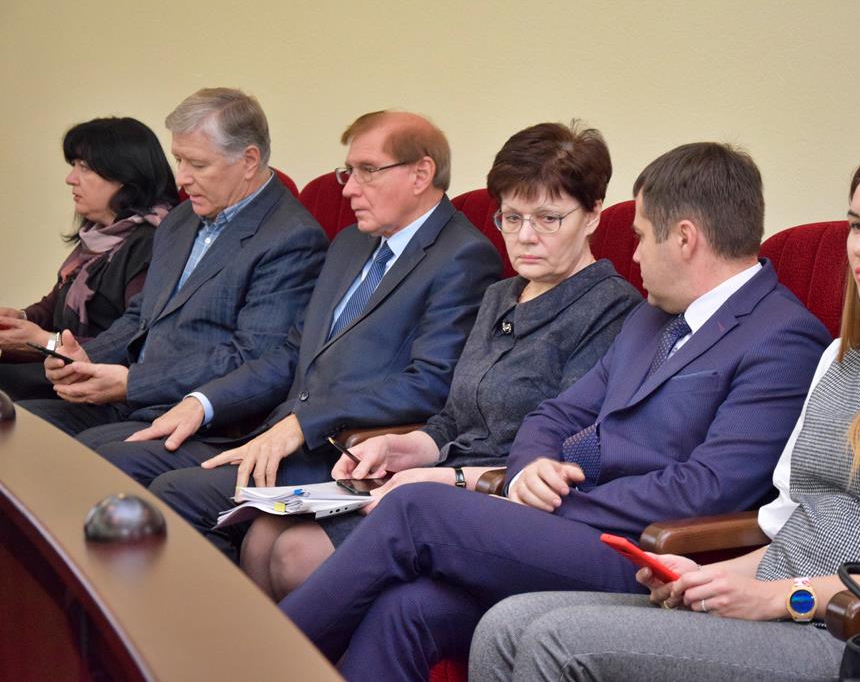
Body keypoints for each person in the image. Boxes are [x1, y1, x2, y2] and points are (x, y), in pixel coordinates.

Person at [275, 142, 833, 680]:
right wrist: (531, 469)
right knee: (408, 608)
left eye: (641, 236)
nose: (634, 255)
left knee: (415, 508)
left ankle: (253, 663)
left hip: (650, 555)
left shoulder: (782, 338)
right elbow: (554, 416)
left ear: (684, 238)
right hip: (571, 530)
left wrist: (563, 505)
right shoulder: (652, 317)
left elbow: (710, 489)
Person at [468, 147, 860, 682]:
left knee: (556, 638)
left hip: (856, 631)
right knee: (504, 626)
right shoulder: (843, 357)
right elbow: (790, 520)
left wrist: (783, 597)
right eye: (856, 225)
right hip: (777, 593)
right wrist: (709, 576)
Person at [241, 121, 642, 600]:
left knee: (294, 555)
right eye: (511, 218)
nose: (525, 237)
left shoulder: (613, 310)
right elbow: (454, 418)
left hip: (503, 502)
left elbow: (559, 457)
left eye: (548, 219)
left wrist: (439, 477)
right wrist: (400, 448)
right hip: (434, 479)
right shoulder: (500, 295)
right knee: (261, 534)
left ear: (593, 214)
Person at [89, 110, 504, 560]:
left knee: (176, 494)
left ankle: (208, 607)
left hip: (343, 455)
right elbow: (292, 352)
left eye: (368, 170)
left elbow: (430, 382)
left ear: (421, 173)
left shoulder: (463, 255)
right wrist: (203, 402)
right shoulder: (350, 243)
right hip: (275, 431)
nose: (348, 189)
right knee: (115, 459)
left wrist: (307, 424)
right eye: (349, 171)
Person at [18, 88, 327, 436]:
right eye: (178, 160)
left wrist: (133, 383)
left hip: (197, 417)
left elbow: (250, 358)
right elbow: (141, 315)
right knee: (15, 426)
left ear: (249, 160)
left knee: (81, 452)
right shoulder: (180, 220)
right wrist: (84, 359)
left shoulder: (291, 238)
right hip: (128, 402)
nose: (181, 178)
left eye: (197, 164)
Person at [0, 117, 178, 400]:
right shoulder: (98, 235)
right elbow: (55, 306)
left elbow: (133, 342)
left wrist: (42, 341)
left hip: (103, 384)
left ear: (126, 175)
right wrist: (18, 320)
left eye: (84, 167)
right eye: (74, 165)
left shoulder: (151, 242)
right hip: (62, 366)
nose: (70, 178)